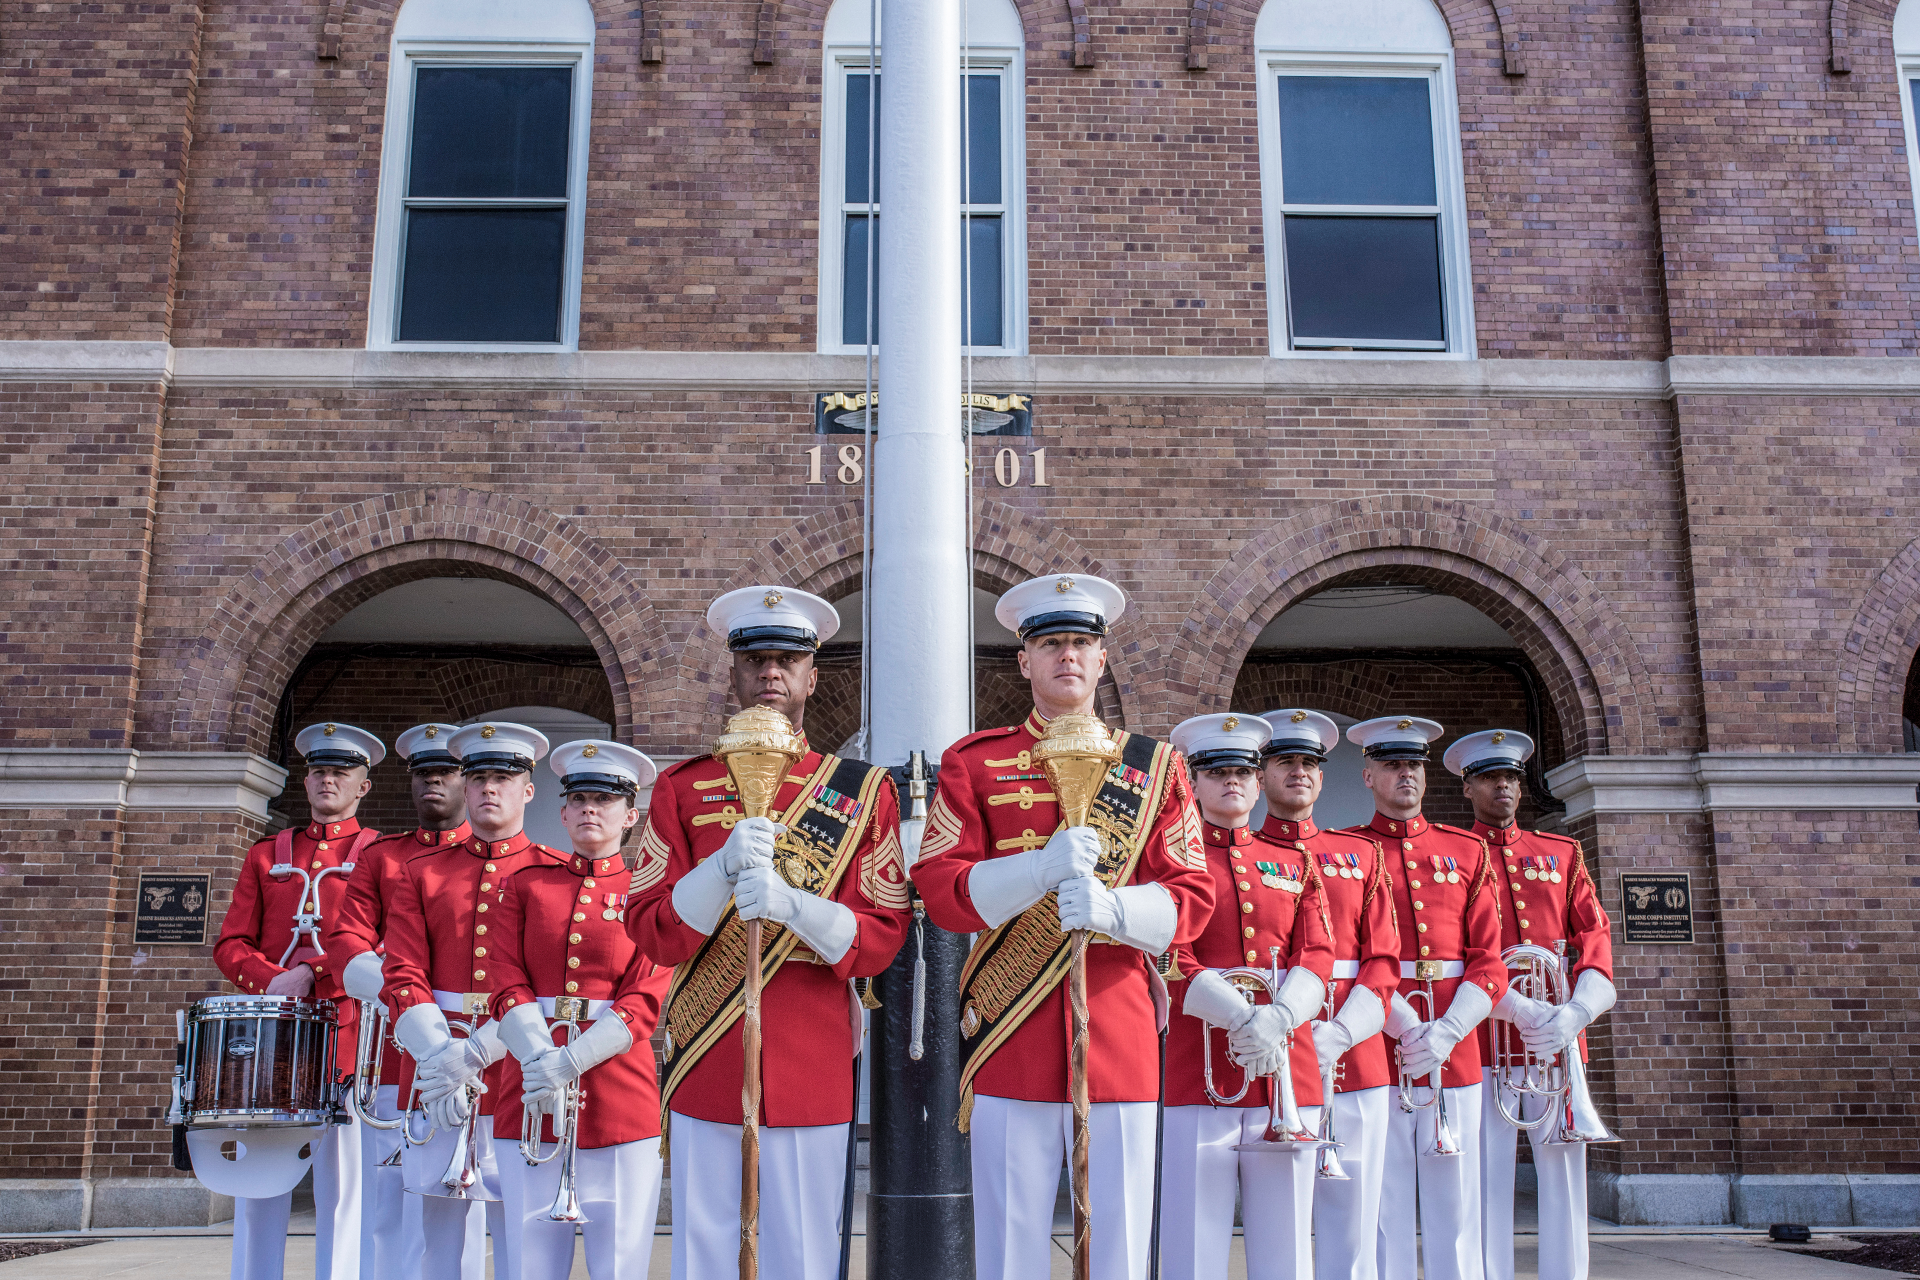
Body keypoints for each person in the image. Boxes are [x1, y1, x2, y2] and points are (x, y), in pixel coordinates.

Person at [914, 574, 1213, 1280]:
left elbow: (1193, 898)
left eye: (1082, 642)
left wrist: (1115, 910)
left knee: (1118, 1243)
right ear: (1024, 661)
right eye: (1051, 644)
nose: (1068, 657)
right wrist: (1035, 871)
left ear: (1103, 659)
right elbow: (940, 888)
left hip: (1118, 1032)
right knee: (1010, 1245)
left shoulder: (1156, 768)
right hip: (1011, 1033)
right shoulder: (974, 760)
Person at [626, 585, 910, 1280]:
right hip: (707, 1060)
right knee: (707, 1251)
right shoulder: (683, 789)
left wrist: (792, 907)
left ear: (814, 676)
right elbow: (651, 931)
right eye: (755, 660)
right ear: (733, 672)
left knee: (806, 1254)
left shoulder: (861, 791)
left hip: (811, 1061)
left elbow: (881, 936)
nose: (770, 674)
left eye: (787, 660)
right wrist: (717, 871)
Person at [383, 722, 568, 1280]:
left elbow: (551, 986)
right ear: (465, 787)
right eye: (479, 777)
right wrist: (442, 1059)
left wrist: (476, 1054)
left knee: (523, 1228)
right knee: (434, 1232)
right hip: (436, 1065)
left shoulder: (555, 874)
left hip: (518, 1065)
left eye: (504, 778)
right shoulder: (422, 871)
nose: (490, 788)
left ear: (528, 791)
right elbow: (402, 970)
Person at [1160, 713, 1334, 1280]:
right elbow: (1166, 955)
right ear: (1193, 783)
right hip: (1195, 1071)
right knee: (1191, 1243)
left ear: (1260, 783)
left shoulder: (1294, 862)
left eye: (1243, 771)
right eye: (1216, 772)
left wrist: (1280, 1017)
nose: (1232, 781)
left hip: (1287, 1071)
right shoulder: (1170, 864)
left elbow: (1319, 954)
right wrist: (1242, 1017)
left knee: (1287, 1245)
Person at [493, 739, 672, 1280]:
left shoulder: (652, 893)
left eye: (607, 799)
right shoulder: (523, 885)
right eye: (581, 798)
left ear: (631, 814)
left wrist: (570, 1062)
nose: (592, 809)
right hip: (528, 1086)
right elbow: (504, 977)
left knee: (619, 1264)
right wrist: (540, 1059)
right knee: (529, 1263)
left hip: (618, 1097)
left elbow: (645, 997)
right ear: (564, 810)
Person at [214, 722, 383, 1280]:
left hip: (346, 1031)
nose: (327, 779)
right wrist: (271, 979)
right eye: (318, 770)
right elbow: (231, 942)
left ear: (363, 785)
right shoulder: (268, 854)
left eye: (341, 771)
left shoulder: (380, 854)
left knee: (343, 1182)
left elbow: (383, 943)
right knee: (259, 1180)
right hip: (274, 1036)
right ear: (306, 781)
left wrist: (313, 971)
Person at [1442, 731, 1614, 1280]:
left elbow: (1595, 942)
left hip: (1557, 1040)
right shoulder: (1451, 854)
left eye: (1513, 777)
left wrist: (1575, 1013)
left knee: (1565, 1180)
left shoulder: (1561, 853)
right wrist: (1515, 1007)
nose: (1505, 787)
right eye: (1492, 778)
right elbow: (1453, 954)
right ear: (1468, 787)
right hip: (1486, 1040)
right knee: (1486, 1179)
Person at [1342, 717, 1507, 1280]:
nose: (1406, 774)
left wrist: (1448, 1031)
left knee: (1456, 1203)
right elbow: (1351, 956)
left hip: (1454, 1044)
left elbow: (1489, 961)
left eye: (1414, 764)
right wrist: (1406, 1025)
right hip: (1376, 1041)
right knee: (1383, 1202)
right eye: (1392, 764)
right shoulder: (1347, 853)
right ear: (1368, 775)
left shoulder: (1466, 850)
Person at [327, 723, 480, 1280]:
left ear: (468, 781)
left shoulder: (494, 859)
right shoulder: (382, 858)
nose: (432, 781)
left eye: (445, 772)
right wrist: (406, 998)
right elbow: (346, 946)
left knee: (459, 1205)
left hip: (470, 1056)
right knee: (385, 1207)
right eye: (422, 773)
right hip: (393, 1058)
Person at [1253, 710, 1399, 1280]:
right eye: (1285, 761)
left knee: (1355, 1219)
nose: (1299, 772)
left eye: (1310, 763)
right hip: (1271, 1056)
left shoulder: (1360, 856)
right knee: (1278, 1224)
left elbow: (1382, 960)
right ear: (1261, 772)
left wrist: (1340, 1033)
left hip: (1354, 1056)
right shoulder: (1244, 854)